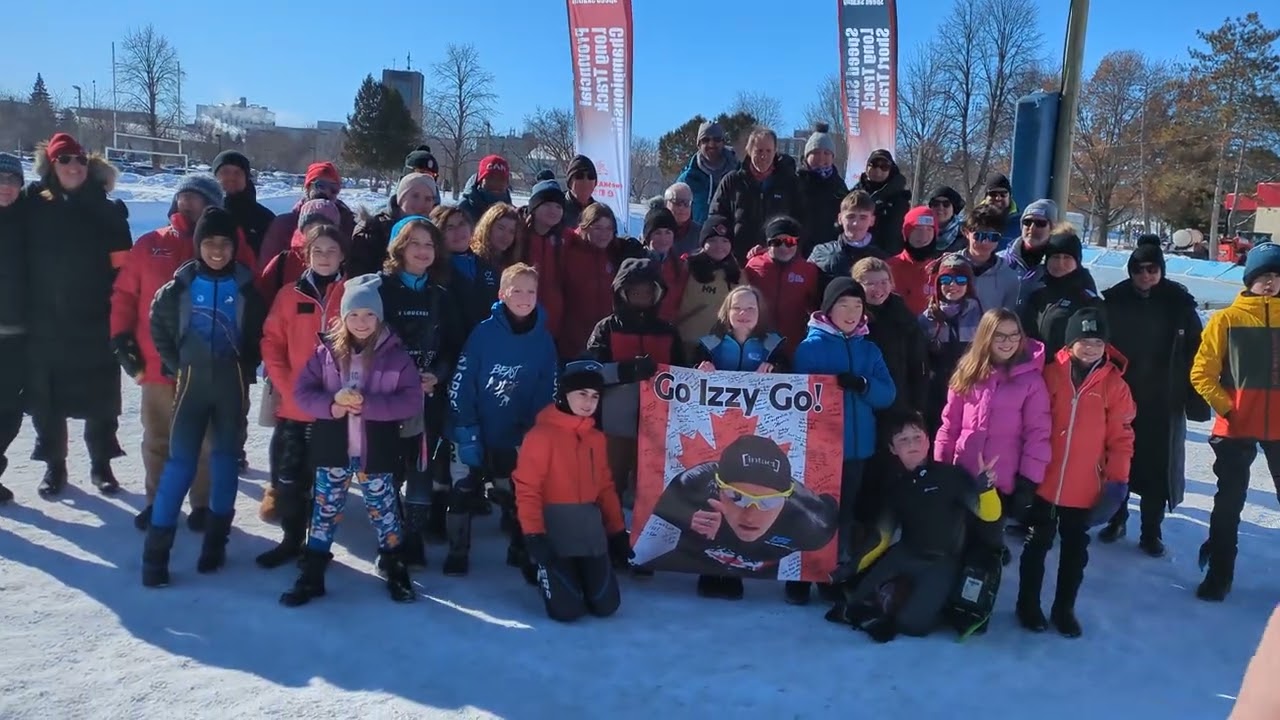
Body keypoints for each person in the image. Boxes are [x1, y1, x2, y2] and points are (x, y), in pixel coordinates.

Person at [112, 174, 253, 529]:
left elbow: (252, 298)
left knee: (206, 440)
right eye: (184, 197)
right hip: (157, 364)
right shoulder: (150, 243)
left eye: (198, 198)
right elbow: (125, 295)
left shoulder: (229, 244)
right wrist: (121, 337)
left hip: (210, 367)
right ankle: (157, 501)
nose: (188, 203)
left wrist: (247, 356)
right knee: (159, 436)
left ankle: (202, 505)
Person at [141, 207, 267, 587]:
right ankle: (155, 555)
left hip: (231, 385)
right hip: (191, 383)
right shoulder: (180, 285)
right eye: (209, 242)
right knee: (180, 465)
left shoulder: (246, 287)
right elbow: (157, 321)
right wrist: (175, 361)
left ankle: (216, 542)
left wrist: (248, 363)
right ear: (198, 245)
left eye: (224, 243)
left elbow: (261, 332)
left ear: (234, 247)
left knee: (226, 461)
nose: (217, 250)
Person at [281, 274, 424, 606]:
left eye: (369, 315)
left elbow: (411, 400)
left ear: (379, 317)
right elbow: (302, 393)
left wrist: (372, 406)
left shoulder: (395, 355)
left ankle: (394, 564)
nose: (362, 322)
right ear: (343, 318)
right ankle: (312, 571)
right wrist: (332, 405)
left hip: (377, 450)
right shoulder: (325, 353)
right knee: (324, 510)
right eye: (354, 315)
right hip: (333, 447)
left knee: (384, 509)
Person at [830, 411, 1002, 642]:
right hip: (906, 552)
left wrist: (986, 489)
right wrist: (850, 568)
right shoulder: (895, 486)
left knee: (912, 626)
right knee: (856, 603)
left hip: (942, 560)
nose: (912, 444)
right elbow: (882, 537)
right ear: (892, 448)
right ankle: (892, 598)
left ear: (928, 441)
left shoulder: (951, 476)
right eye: (903, 439)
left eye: (917, 437)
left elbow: (989, 515)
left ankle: (939, 603)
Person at [24, 132, 131, 496]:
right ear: (51, 164)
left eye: (80, 160)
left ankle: (101, 465)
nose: (74, 166)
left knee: (101, 400)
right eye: (65, 159)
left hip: (95, 320)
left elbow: (124, 269)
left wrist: (121, 314)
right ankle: (56, 467)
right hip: (46, 321)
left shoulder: (107, 210)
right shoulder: (32, 204)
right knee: (48, 400)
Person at [1018, 308, 1135, 637]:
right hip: (1044, 480)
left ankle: (1063, 608)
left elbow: (1122, 438)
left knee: (1074, 551)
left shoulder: (1114, 385)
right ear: (1070, 344)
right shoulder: (1050, 375)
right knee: (1036, 545)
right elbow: (1030, 423)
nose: (1091, 348)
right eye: (1084, 341)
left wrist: (1117, 482)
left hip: (1084, 486)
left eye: (1097, 342)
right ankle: (1028, 604)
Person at [1098, 237, 1209, 556]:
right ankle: (1115, 518)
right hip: (1123, 396)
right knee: (1118, 462)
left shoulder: (1178, 303)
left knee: (1157, 469)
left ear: (1161, 270)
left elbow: (1195, 352)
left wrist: (1195, 397)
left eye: (1152, 269)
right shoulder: (1115, 300)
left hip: (1164, 399)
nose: (1145, 275)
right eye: (1138, 269)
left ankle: (1151, 531)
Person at [447, 264, 558, 577]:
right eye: (516, 290)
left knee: (517, 491)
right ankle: (458, 549)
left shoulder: (544, 340)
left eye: (530, 291)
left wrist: (533, 431)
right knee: (464, 488)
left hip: (514, 431)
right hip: (473, 427)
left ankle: (519, 547)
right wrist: (465, 427)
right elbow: (462, 381)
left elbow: (547, 388)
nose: (524, 297)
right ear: (502, 294)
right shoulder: (483, 333)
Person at [792, 278, 896, 604]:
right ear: (829, 308)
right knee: (809, 512)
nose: (851, 313)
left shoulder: (870, 348)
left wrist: (863, 385)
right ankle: (798, 576)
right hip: (819, 448)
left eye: (857, 306)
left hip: (856, 449)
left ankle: (829, 574)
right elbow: (801, 395)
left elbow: (887, 394)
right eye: (843, 305)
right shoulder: (811, 347)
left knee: (844, 514)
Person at [1189, 242, 1280, 602]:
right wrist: (1227, 408)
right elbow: (1202, 372)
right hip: (1236, 426)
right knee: (1229, 504)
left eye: (1276, 276)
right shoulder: (1227, 319)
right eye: (1263, 277)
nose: (1270, 283)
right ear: (1249, 280)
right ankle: (1219, 574)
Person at [255, 224, 348, 569]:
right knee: (289, 479)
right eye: (318, 251)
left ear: (342, 255)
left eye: (332, 251)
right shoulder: (289, 296)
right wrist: (286, 384)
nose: (325, 257)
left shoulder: (351, 294)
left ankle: (318, 547)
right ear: (306, 255)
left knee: (326, 487)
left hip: (335, 410)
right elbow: (271, 342)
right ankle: (291, 540)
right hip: (294, 407)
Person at [644, 434, 839, 596]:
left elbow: (831, 507)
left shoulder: (812, 524)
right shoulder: (694, 487)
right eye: (737, 497)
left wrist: (805, 580)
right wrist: (684, 518)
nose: (750, 515)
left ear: (786, 501)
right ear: (718, 490)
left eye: (768, 502)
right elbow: (645, 548)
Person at [514, 360, 632, 622]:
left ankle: (580, 571)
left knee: (606, 606)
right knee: (567, 611)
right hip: (554, 527)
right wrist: (534, 535)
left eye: (594, 396)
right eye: (581, 394)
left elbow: (605, 488)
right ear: (564, 394)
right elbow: (527, 490)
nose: (588, 402)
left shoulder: (596, 438)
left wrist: (616, 531)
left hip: (589, 529)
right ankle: (534, 562)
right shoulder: (541, 435)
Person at [378, 216, 464, 567]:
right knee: (388, 467)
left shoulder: (441, 295)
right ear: (399, 247)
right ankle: (390, 535)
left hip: (426, 397)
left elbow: (454, 346)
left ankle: (413, 536)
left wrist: (438, 376)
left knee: (421, 466)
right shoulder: (379, 289)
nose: (423, 251)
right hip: (386, 396)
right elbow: (362, 338)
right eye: (415, 243)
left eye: (429, 244)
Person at [934, 308, 1052, 542]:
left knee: (987, 539)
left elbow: (1038, 433)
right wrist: (941, 465)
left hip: (1000, 478)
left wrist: (1028, 479)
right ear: (986, 336)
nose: (1007, 342)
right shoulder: (968, 372)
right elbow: (950, 424)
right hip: (963, 472)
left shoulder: (1031, 380)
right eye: (999, 335)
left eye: (1013, 335)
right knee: (956, 539)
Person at [587, 258, 684, 512]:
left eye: (647, 290)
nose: (642, 296)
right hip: (614, 424)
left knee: (650, 488)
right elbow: (589, 372)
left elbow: (684, 374)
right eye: (635, 291)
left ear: (657, 292)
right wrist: (625, 371)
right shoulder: (606, 328)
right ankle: (606, 536)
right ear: (622, 292)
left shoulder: (668, 332)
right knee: (609, 485)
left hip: (657, 425)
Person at [557, 203, 644, 359]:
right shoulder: (569, 252)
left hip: (604, 342)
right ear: (585, 227)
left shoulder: (615, 253)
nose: (603, 234)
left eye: (608, 228)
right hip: (572, 342)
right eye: (597, 228)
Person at [707, 126, 805, 262]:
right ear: (749, 150)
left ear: (775, 151)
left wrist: (784, 248)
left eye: (768, 151)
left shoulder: (790, 183)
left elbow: (801, 222)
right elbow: (716, 218)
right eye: (759, 151)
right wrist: (724, 248)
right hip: (738, 260)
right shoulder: (733, 181)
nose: (763, 156)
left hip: (778, 259)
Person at [854, 257, 929, 415]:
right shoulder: (850, 316)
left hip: (898, 398)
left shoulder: (901, 313)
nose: (878, 289)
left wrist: (918, 403)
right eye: (870, 284)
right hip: (859, 398)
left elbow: (916, 360)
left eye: (883, 282)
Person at [919, 255, 985, 433]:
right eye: (946, 279)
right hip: (937, 393)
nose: (953, 285)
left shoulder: (980, 316)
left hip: (971, 389)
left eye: (960, 280)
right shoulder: (927, 319)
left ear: (969, 284)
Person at [743, 215, 819, 358]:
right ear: (768, 243)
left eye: (790, 241)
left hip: (793, 344)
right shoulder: (754, 265)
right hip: (758, 343)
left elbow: (814, 306)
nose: (784, 247)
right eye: (777, 242)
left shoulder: (808, 270)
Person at [258, 162, 356, 269]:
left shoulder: (348, 224)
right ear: (308, 187)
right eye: (321, 186)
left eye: (333, 189)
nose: (327, 192)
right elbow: (267, 271)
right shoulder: (284, 225)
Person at [1020, 229, 1101, 352]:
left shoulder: (1086, 299)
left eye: (1067, 257)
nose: (1060, 263)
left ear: (1077, 261)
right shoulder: (1036, 293)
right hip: (1033, 366)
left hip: (1064, 368)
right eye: (1055, 257)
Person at [674, 216, 741, 358]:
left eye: (725, 241)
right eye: (712, 240)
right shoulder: (688, 266)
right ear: (703, 242)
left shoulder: (737, 274)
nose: (719, 246)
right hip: (684, 342)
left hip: (718, 348)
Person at [349, 172, 438, 277]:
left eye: (428, 199)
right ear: (400, 199)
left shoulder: (434, 234)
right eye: (415, 196)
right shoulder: (373, 229)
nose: (421, 203)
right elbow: (358, 274)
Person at [0, 153, 25, 505]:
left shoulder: (27, 220)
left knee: (10, 412)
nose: (5, 186)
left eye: (12, 180)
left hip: (19, 333)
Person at [436, 203, 502, 336]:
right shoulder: (434, 269)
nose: (458, 232)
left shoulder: (487, 265)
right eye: (450, 227)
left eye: (462, 224)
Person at [810, 190, 887, 294]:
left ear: (872, 220)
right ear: (840, 218)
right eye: (850, 217)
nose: (856, 223)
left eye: (863, 217)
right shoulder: (822, 253)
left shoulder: (881, 259)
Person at [519, 177, 568, 338]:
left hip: (553, 327)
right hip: (522, 323)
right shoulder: (518, 237)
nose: (553, 210)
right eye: (547, 204)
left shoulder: (563, 240)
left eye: (558, 206)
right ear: (534, 207)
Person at [954, 204, 1022, 313]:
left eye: (993, 237)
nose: (985, 242)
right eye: (979, 236)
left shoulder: (1008, 276)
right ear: (966, 233)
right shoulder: (951, 266)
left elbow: (1006, 318)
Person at [211, 150, 275, 258]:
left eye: (238, 172)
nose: (231, 177)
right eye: (225, 172)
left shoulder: (265, 219)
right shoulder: (202, 212)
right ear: (215, 176)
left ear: (246, 178)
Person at [797, 123, 848, 256]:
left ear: (832, 157)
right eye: (816, 152)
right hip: (798, 251)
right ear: (807, 156)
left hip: (829, 251)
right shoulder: (796, 181)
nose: (821, 157)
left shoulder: (839, 186)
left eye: (826, 153)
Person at [851, 149, 911, 255]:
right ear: (867, 167)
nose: (878, 171)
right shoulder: (853, 194)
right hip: (854, 254)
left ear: (890, 170)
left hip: (887, 258)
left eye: (884, 167)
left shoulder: (899, 199)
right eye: (873, 165)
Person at [677, 121, 737, 227]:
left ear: (723, 142)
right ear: (698, 144)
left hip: (733, 240)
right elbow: (674, 214)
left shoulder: (739, 175)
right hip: (697, 240)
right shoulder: (687, 179)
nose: (711, 144)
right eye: (705, 139)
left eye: (717, 139)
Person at [888, 206, 940, 315]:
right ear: (907, 232)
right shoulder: (889, 267)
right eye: (918, 229)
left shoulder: (940, 269)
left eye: (929, 229)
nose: (923, 235)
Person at [639, 205, 687, 324]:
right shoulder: (636, 263)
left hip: (666, 330)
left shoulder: (680, 266)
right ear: (648, 236)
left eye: (668, 233)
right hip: (638, 329)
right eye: (658, 233)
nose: (663, 238)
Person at [456, 155, 512, 224]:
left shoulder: (513, 214)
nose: (495, 183)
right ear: (480, 181)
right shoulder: (462, 211)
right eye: (490, 178)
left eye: (501, 179)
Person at [977, 173, 1021, 249]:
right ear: (986, 197)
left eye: (1003, 194)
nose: (998, 198)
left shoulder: (1021, 224)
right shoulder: (974, 221)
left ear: (1009, 197)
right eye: (993, 194)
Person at [659, 182, 702, 256]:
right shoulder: (656, 228)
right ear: (666, 203)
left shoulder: (700, 233)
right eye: (677, 202)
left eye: (686, 203)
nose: (681, 207)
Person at [563, 155, 603, 230]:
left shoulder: (599, 212)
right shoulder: (558, 209)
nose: (585, 181)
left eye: (590, 177)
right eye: (579, 176)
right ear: (570, 182)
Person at [928, 186, 966, 253]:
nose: (940, 208)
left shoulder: (965, 233)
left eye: (946, 204)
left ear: (954, 209)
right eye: (936, 203)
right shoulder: (921, 230)